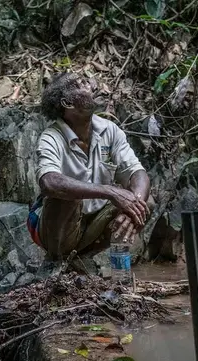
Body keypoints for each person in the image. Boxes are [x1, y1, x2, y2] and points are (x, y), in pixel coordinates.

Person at [27, 73, 151, 260]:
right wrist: (109, 191)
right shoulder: (51, 137)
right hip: (58, 234)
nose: (94, 83)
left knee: (143, 202)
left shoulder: (109, 130)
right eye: (82, 83)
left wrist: (134, 206)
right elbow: (49, 182)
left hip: (94, 227)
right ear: (68, 104)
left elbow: (137, 172)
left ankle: (85, 257)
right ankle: (57, 258)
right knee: (65, 197)